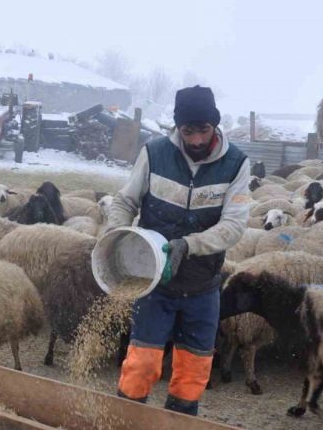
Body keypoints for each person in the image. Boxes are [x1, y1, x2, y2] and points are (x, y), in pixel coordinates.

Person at [108, 85, 251, 416]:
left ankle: (180, 423)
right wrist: (116, 234)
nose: (197, 140)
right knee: (141, 365)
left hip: (202, 287)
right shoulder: (155, 153)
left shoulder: (236, 164)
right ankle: (127, 422)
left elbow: (233, 225)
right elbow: (125, 200)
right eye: (189, 130)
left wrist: (189, 245)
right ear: (177, 127)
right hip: (153, 282)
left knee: (193, 371)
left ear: (214, 125)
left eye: (204, 130)